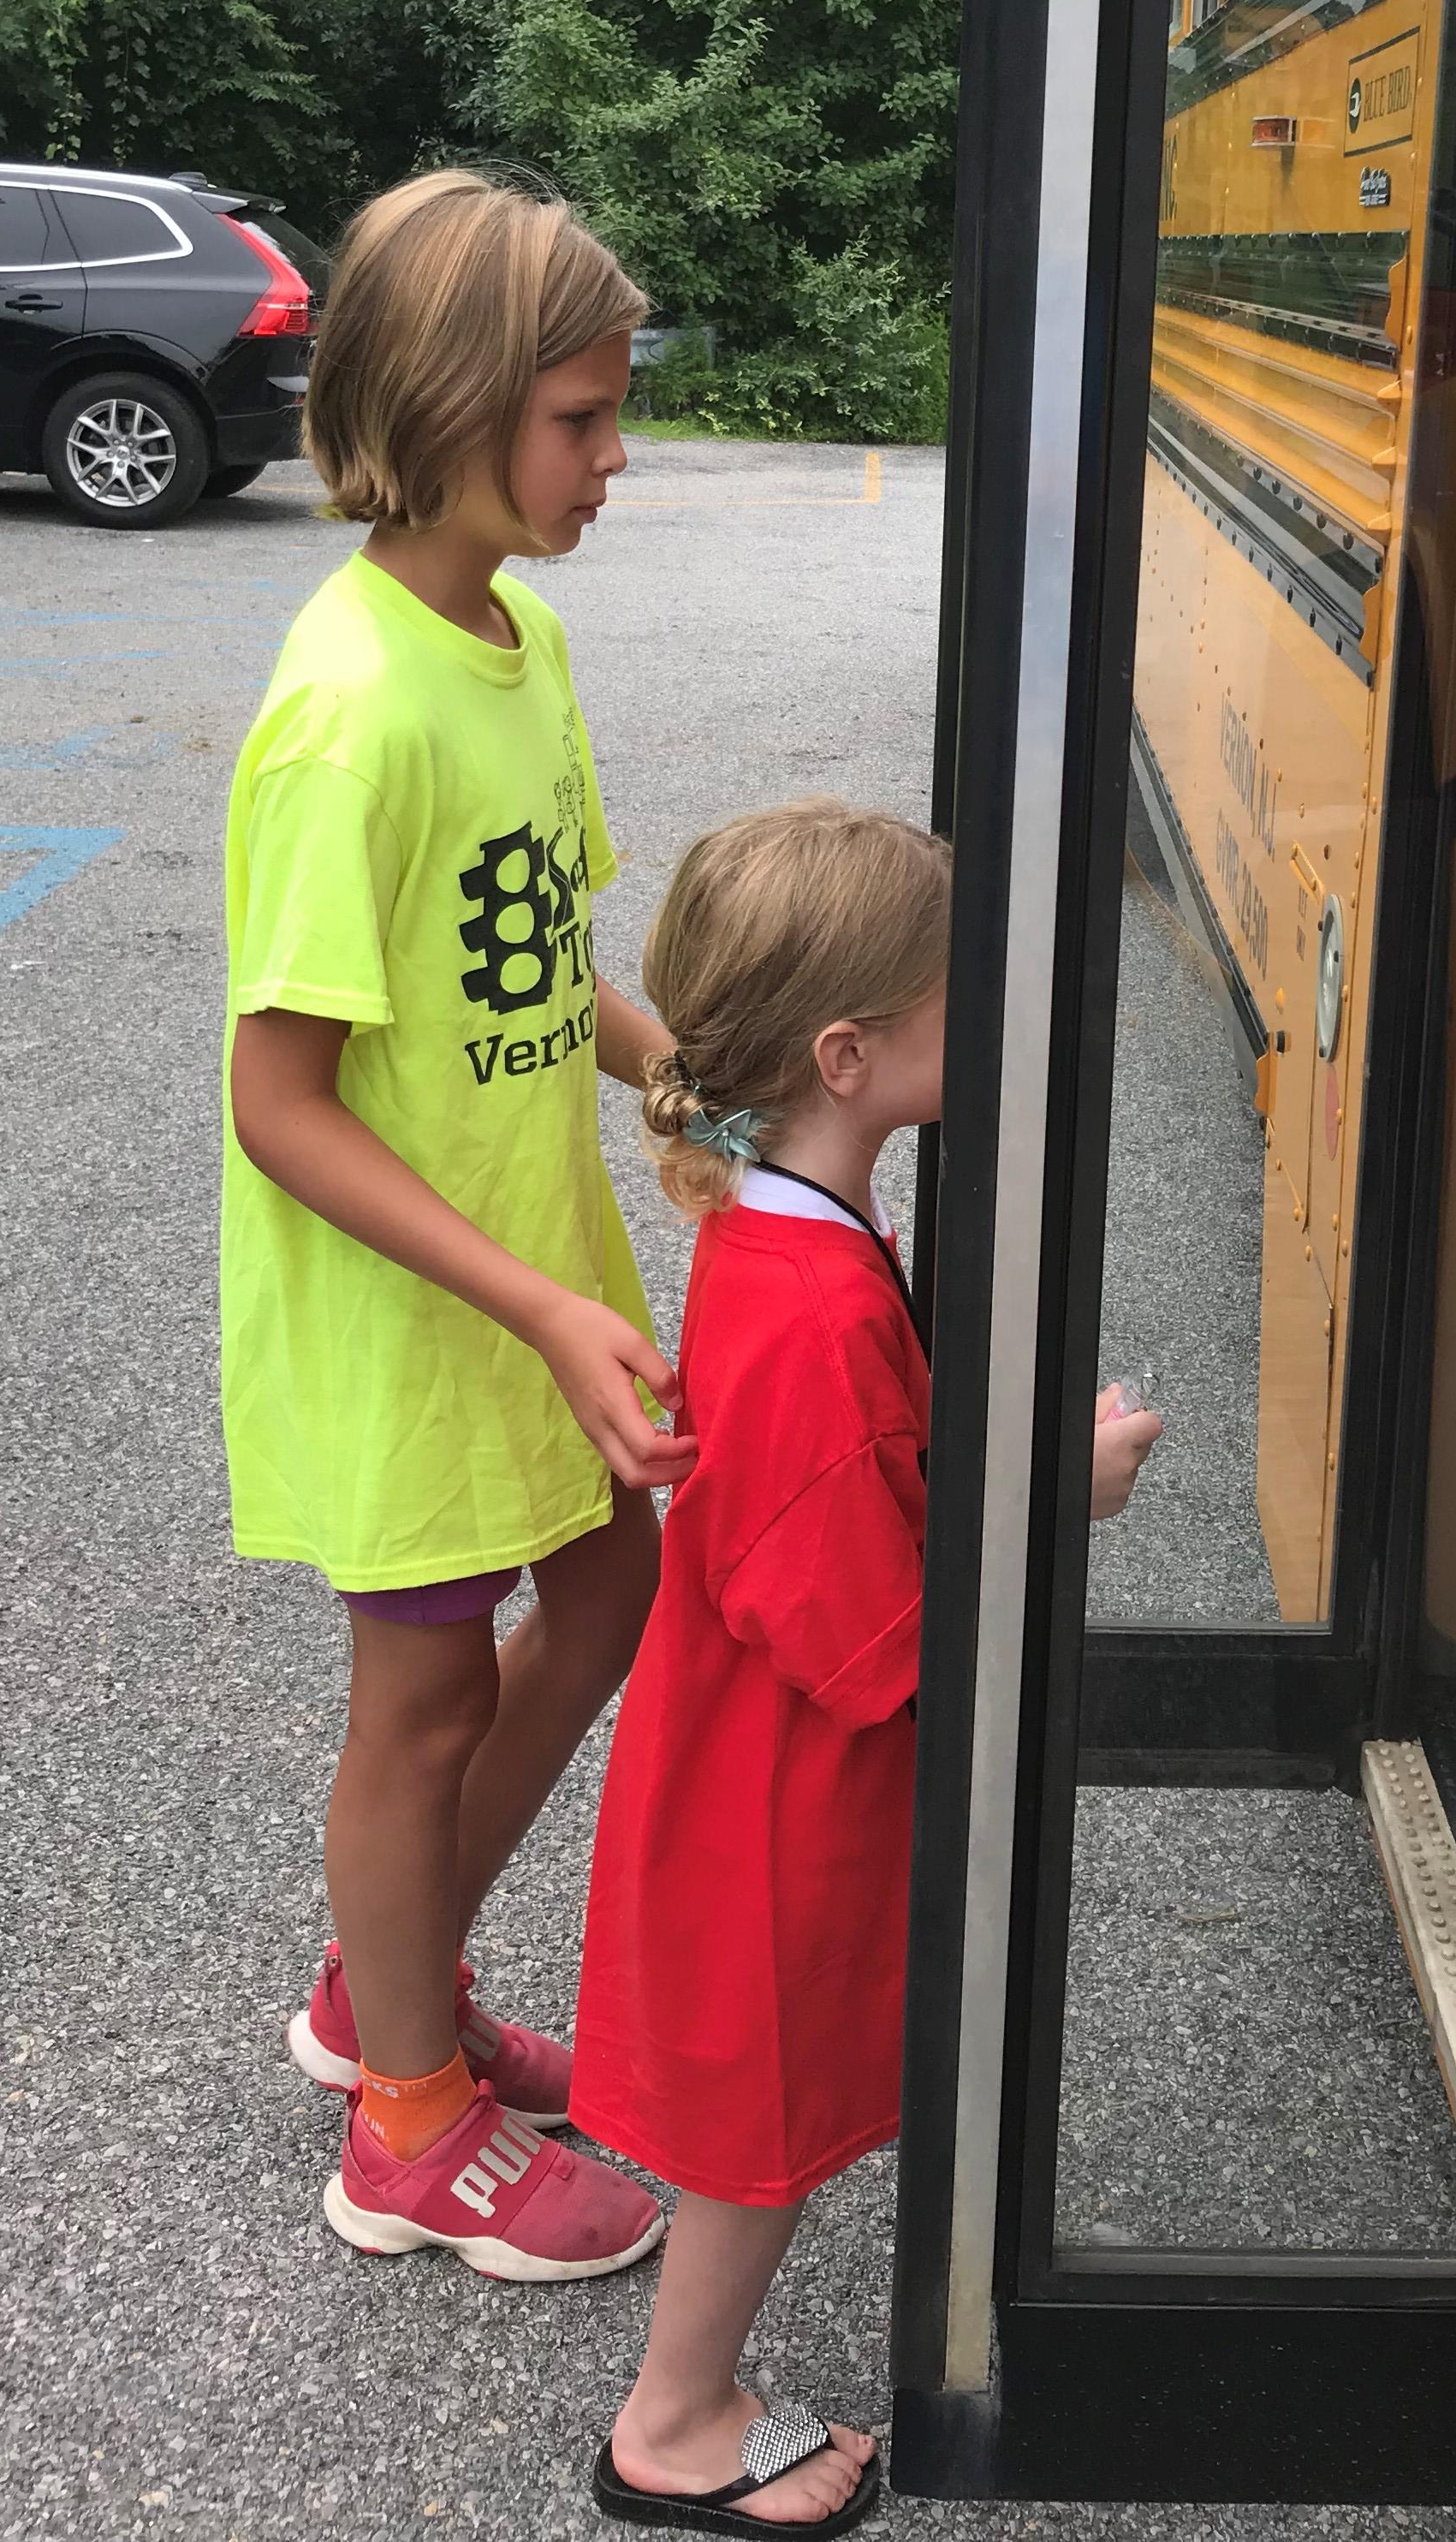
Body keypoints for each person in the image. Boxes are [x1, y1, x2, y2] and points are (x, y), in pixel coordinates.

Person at [570, 801, 1162, 2531]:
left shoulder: (782, 1230)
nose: (984, 1021)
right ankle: (674, 2427)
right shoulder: (816, 1305)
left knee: (765, 2124)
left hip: (753, 1776)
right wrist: (1065, 1499)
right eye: (953, 997)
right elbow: (868, 1630)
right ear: (850, 1055)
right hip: (776, 1814)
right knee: (753, 2141)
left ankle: (693, 2390)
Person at [223, 168, 693, 2283]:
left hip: (532, 1276)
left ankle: (380, 1981)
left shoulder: (520, 641)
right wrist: (528, 1297)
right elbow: (280, 1102)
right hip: (418, 1314)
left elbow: (538, 959)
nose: (617, 460)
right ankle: (402, 2123)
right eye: (581, 422)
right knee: (411, 1715)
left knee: (611, 1591)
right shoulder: (351, 714)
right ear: (445, 403)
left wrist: (676, 1067)